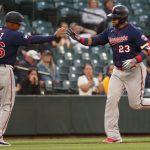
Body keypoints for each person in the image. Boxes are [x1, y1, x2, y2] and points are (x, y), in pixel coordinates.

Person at [67, 4, 150, 143]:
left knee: (136, 104)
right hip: (118, 71)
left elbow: (147, 48)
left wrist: (135, 59)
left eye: (115, 18)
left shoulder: (134, 31)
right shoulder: (110, 31)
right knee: (111, 100)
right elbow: (94, 40)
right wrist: (78, 38)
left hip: (134, 71)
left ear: (122, 18)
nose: (112, 19)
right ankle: (114, 136)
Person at [0, 11, 66, 146]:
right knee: (6, 105)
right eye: (18, 24)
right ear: (11, 24)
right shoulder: (13, 34)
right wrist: (53, 36)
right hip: (4, 70)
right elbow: (34, 39)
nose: (19, 27)